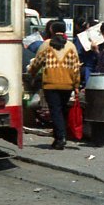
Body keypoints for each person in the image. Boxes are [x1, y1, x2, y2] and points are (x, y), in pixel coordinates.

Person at [26, 20, 81, 150]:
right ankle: (59, 137)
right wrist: (76, 85)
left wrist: (32, 73)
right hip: (67, 84)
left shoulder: (46, 44)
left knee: (55, 110)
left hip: (50, 84)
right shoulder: (71, 46)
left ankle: (60, 138)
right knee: (62, 109)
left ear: (51, 30)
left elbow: (37, 62)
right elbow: (76, 68)